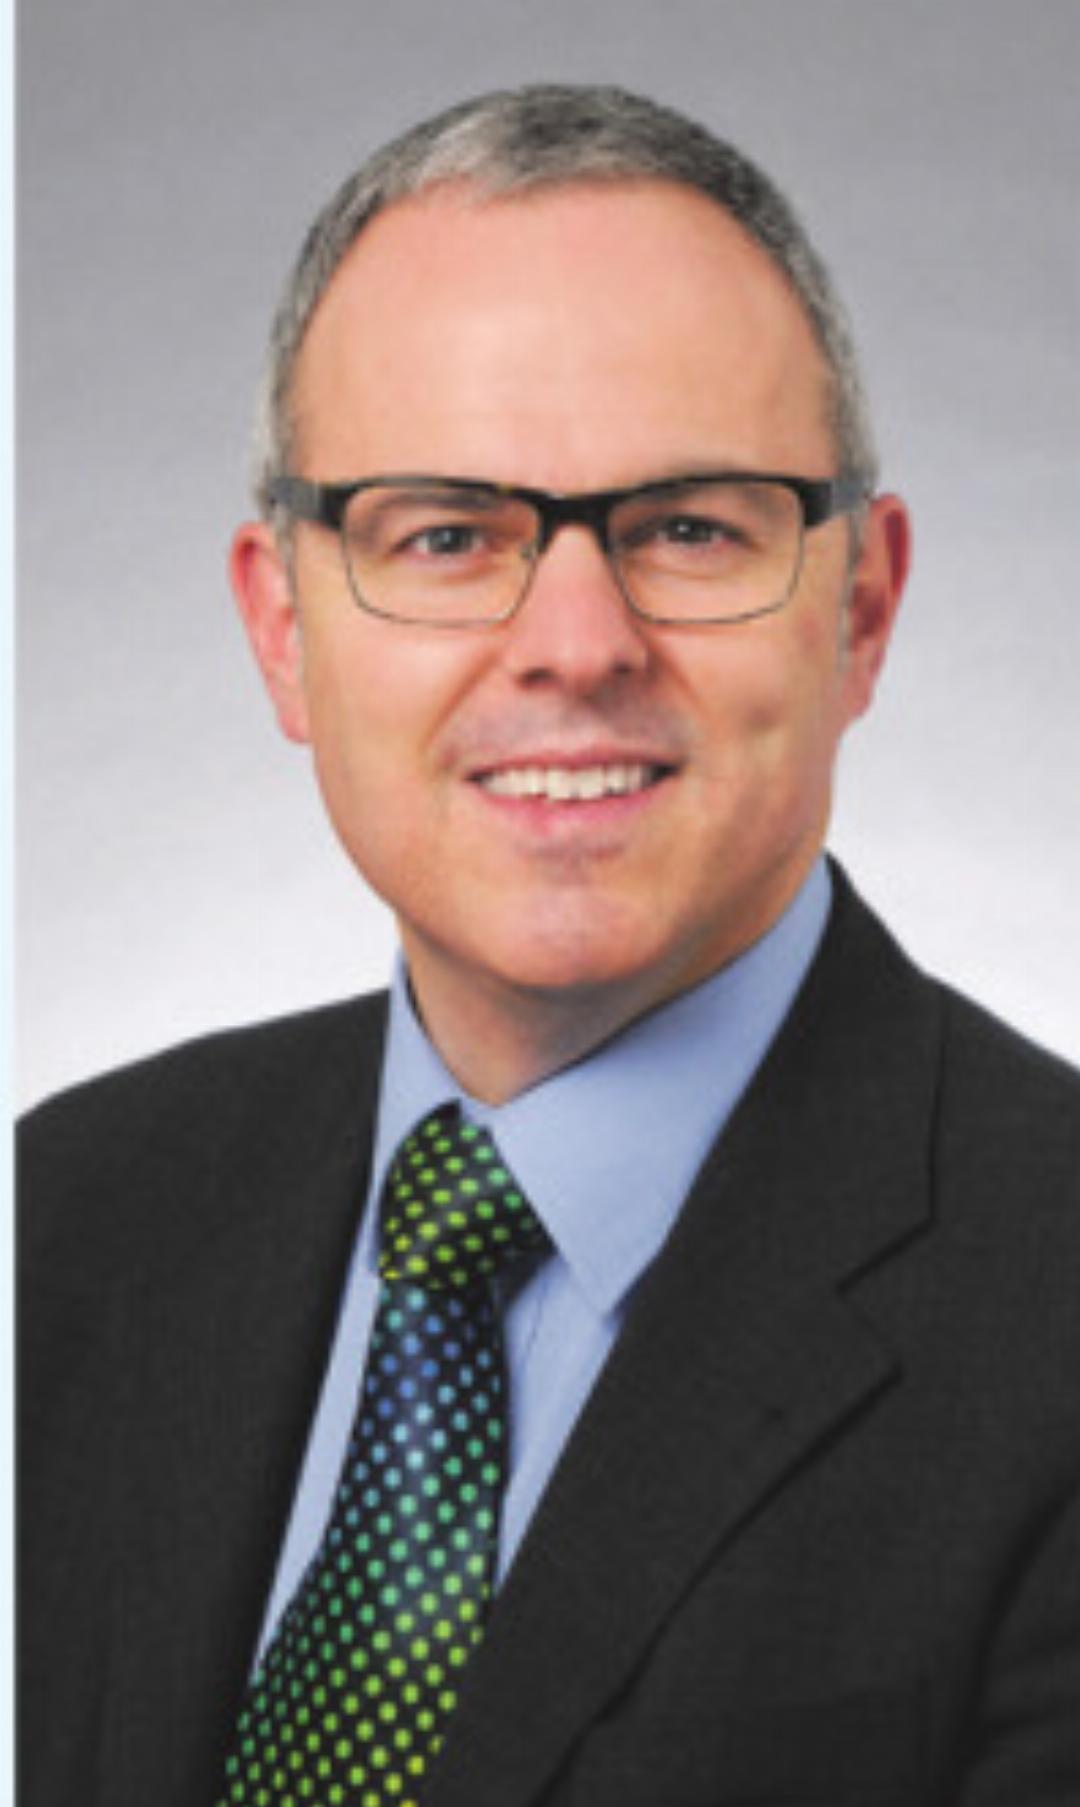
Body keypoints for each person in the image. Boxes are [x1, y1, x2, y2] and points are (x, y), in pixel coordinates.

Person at [19, 83, 1080, 1807]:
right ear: (282, 630)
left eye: (690, 527)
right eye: (445, 535)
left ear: (862, 610)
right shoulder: (59, 1223)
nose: (576, 644)